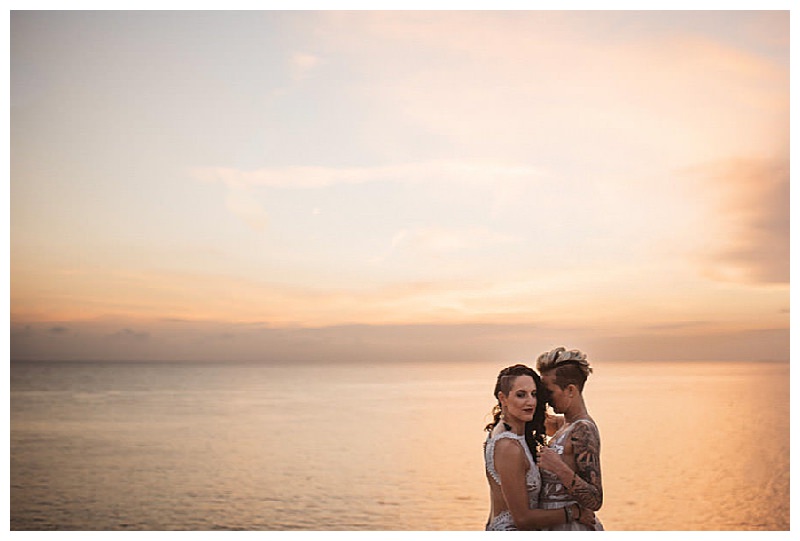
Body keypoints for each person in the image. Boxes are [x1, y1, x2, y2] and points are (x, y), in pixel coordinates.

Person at [484, 364, 596, 530]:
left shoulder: (512, 429)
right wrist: (575, 512)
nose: (530, 402)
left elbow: (563, 424)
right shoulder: (508, 446)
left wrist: (576, 424)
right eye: (521, 395)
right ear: (503, 398)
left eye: (534, 394)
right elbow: (523, 519)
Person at [536, 347, 604, 531]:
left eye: (549, 392)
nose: (546, 399)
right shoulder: (565, 425)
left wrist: (557, 467)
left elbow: (595, 499)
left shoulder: (583, 430)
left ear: (571, 390)